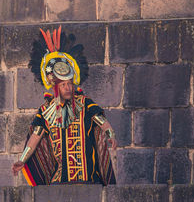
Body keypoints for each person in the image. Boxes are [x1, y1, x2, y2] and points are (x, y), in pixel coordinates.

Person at [11, 26, 117, 186]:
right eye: (63, 85)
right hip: (59, 181)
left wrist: (110, 135)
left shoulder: (85, 103)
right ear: (56, 88)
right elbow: (34, 139)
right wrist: (22, 159)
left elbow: (102, 121)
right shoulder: (45, 111)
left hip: (88, 180)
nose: (68, 88)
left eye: (69, 84)